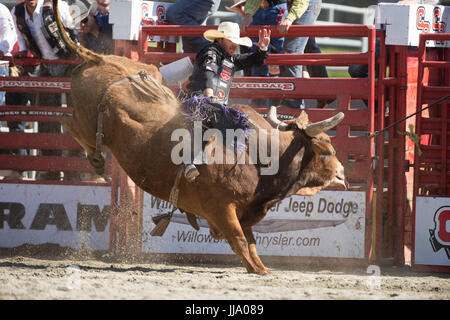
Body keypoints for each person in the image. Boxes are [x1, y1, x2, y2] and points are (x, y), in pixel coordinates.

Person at [184, 21, 271, 181]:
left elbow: (254, 60)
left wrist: (263, 49)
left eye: (236, 42)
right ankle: (190, 162)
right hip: (199, 99)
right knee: (204, 117)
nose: (234, 45)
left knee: (240, 124)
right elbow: (207, 72)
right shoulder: (211, 52)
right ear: (220, 39)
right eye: (231, 41)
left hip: (217, 105)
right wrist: (209, 94)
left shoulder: (230, 59)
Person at [12, 0, 79, 181]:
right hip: (47, 64)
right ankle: (51, 167)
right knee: (47, 115)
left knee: (76, 115)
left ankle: (76, 167)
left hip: (69, 63)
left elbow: (74, 31)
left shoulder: (55, 6)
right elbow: (21, 37)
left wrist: (77, 54)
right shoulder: (18, 12)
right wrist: (24, 50)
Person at [229, 0, 287, 108]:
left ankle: (274, 100)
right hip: (266, 9)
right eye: (240, 7)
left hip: (274, 7)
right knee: (258, 55)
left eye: (243, 5)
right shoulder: (253, 14)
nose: (242, 9)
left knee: (278, 56)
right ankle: (261, 101)